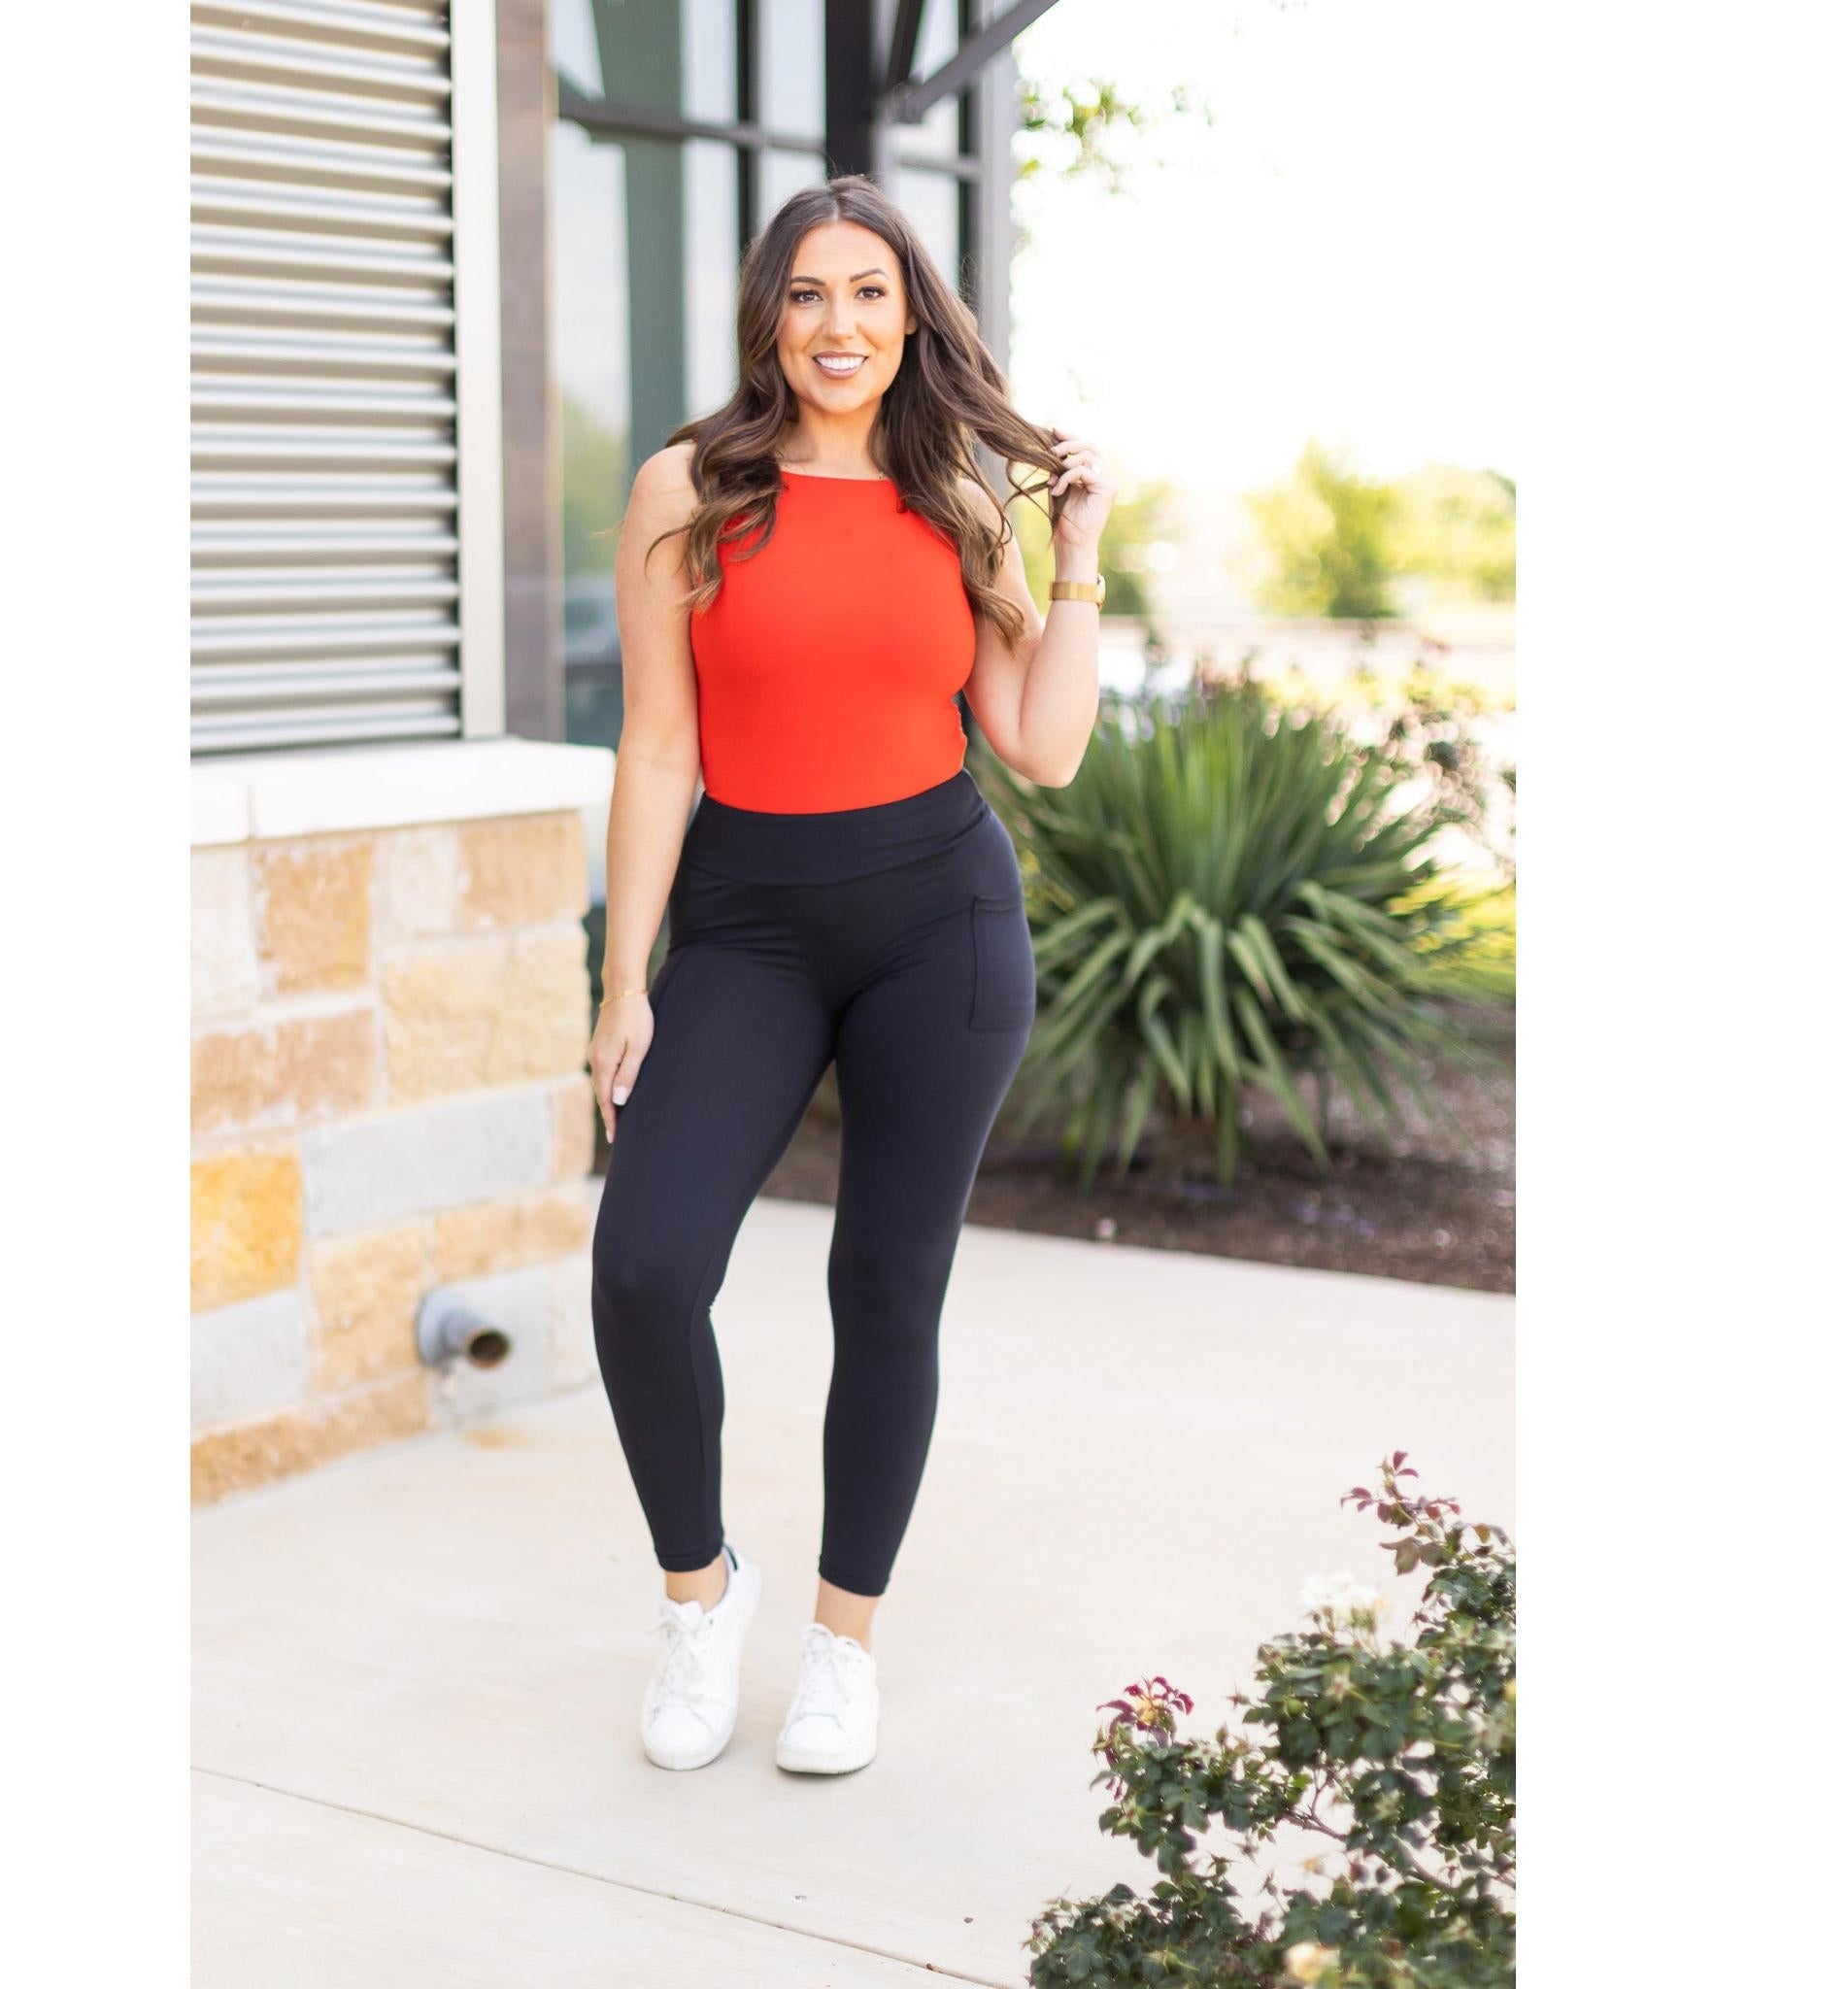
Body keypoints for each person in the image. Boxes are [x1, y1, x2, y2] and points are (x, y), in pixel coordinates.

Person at [588, 176, 1114, 1775]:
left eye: (870, 293)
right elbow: (658, 745)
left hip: (938, 927)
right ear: (770, 317)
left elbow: (1042, 741)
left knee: (885, 1288)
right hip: (743, 926)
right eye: (809, 293)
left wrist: (1077, 555)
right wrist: (625, 982)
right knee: (644, 1269)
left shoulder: (957, 495)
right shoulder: (689, 489)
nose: (839, 324)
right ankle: (701, 1600)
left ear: (910, 317)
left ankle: (842, 1646)